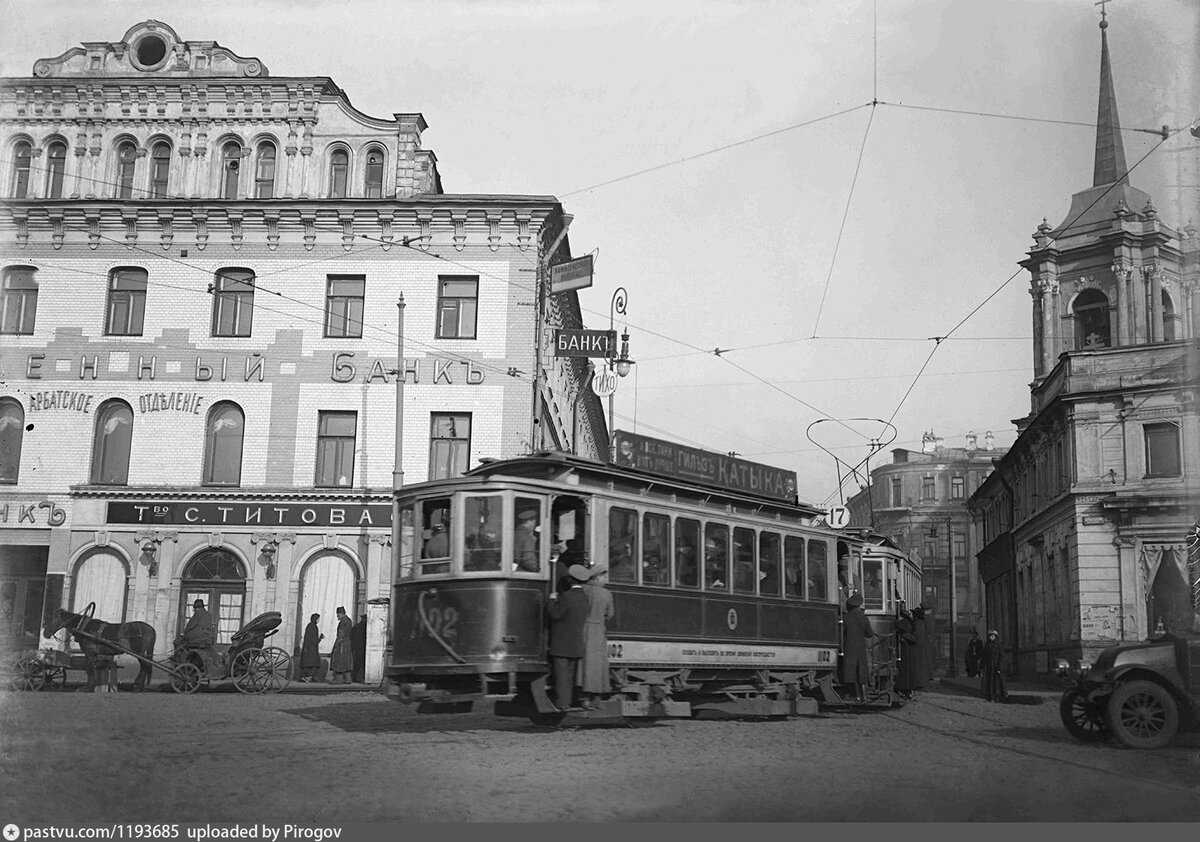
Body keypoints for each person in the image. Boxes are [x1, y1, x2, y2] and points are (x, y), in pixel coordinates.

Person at [547, 564, 591, 710]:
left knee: (561, 676)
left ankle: (562, 703)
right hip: (576, 643)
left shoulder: (566, 596)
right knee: (570, 676)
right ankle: (568, 701)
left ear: (571, 580)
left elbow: (556, 614)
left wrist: (552, 600)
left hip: (561, 643)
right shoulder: (585, 598)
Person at [581, 565, 615, 709]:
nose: (604, 579)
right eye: (603, 576)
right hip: (598, 629)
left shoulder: (583, 590)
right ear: (598, 577)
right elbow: (610, 614)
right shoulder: (606, 593)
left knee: (584, 664)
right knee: (599, 665)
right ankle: (597, 699)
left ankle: (584, 698)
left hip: (583, 629)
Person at [840, 593, 875, 703]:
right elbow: (869, 634)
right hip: (860, 648)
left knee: (851, 672)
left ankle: (855, 695)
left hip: (849, 647)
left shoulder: (845, 618)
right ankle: (863, 695)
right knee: (861, 671)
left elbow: (841, 634)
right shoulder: (864, 618)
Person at [895, 601, 927, 700]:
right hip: (916, 650)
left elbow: (915, 637)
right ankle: (910, 691)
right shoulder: (918, 623)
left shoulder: (917, 624)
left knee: (910, 672)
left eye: (914, 614)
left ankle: (908, 691)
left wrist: (904, 636)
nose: (912, 616)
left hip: (914, 651)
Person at [178, 598, 216, 674]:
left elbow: (191, 625)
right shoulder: (209, 614)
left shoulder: (198, 613)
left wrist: (184, 633)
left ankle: (181, 661)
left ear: (196, 607)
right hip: (206, 637)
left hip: (198, 636)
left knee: (178, 641)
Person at [329, 606, 354, 684]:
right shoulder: (349, 620)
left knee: (340, 660)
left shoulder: (342, 622)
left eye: (338, 614)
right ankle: (348, 679)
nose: (337, 616)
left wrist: (336, 644)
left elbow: (341, 634)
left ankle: (338, 679)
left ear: (341, 614)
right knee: (347, 661)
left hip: (342, 644)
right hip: (348, 643)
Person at [981, 629, 1007, 703]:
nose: (991, 638)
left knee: (996, 682)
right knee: (988, 681)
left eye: (992, 636)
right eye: (990, 636)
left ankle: (997, 697)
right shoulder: (987, 645)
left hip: (996, 666)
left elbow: (1001, 657)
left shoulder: (999, 645)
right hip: (989, 666)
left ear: (995, 637)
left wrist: (999, 667)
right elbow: (984, 656)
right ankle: (988, 697)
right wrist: (982, 666)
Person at [914, 600, 935, 682]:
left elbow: (927, 630)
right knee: (928, 658)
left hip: (925, 640)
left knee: (925, 657)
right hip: (928, 640)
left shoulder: (926, 618)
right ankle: (929, 674)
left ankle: (928, 675)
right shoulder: (929, 617)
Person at [514, 508, 540, 572]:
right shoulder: (527, 537)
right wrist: (539, 570)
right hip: (522, 574)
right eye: (534, 521)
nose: (534, 524)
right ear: (529, 521)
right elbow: (528, 561)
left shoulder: (512, 534)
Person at [300, 613, 323, 683]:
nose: (318, 620)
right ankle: (309, 677)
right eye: (318, 619)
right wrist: (320, 638)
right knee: (313, 663)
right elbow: (314, 640)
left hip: (309, 648)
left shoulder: (310, 626)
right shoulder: (314, 627)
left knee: (309, 663)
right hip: (311, 649)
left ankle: (309, 677)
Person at [351, 613, 367, 684]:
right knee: (362, 664)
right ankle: (362, 678)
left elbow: (352, 637)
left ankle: (354, 678)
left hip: (358, 648)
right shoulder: (366, 627)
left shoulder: (356, 626)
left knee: (357, 664)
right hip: (363, 648)